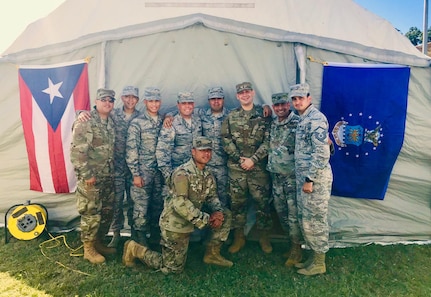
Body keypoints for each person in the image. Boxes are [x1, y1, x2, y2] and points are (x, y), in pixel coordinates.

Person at [122, 136, 233, 273]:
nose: (206, 154)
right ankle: (135, 249)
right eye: (202, 150)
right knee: (172, 269)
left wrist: (217, 212)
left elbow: (212, 196)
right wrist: (206, 219)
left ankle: (212, 254)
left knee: (226, 215)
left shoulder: (207, 174)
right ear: (193, 152)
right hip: (175, 223)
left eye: (209, 151)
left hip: (192, 218)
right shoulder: (182, 174)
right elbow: (180, 204)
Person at [77, 85, 141, 248]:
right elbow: (94, 116)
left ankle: (135, 235)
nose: (130, 100)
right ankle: (116, 234)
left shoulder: (142, 117)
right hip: (116, 168)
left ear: (138, 100)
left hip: (135, 169)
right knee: (116, 203)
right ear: (122, 99)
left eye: (133, 97)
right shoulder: (113, 114)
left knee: (135, 203)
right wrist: (80, 113)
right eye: (127, 97)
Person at [220, 81, 273, 254]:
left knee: (262, 203)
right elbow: (225, 139)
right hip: (237, 169)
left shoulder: (263, 114)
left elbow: (269, 140)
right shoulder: (231, 116)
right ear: (237, 96)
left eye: (247, 92)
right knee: (237, 204)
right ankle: (238, 238)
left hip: (258, 169)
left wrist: (254, 159)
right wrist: (239, 159)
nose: (244, 95)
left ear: (252, 93)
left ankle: (264, 237)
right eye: (241, 93)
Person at [290, 83, 333, 276]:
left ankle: (319, 263)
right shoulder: (303, 119)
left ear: (309, 99)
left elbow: (322, 153)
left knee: (315, 220)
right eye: (294, 98)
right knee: (307, 220)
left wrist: (310, 178)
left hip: (315, 181)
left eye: (301, 98)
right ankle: (313, 257)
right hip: (307, 180)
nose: (297, 101)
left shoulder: (315, 119)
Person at [70, 88, 116, 264]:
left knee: (106, 211)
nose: (107, 103)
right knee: (91, 212)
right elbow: (77, 152)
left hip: (107, 175)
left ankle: (98, 242)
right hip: (91, 178)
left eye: (110, 100)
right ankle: (88, 248)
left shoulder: (110, 121)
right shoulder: (86, 122)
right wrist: (87, 175)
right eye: (103, 99)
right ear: (96, 101)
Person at [267, 92, 302, 267]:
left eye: (283, 104)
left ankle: (297, 249)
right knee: (281, 213)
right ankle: (291, 244)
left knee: (293, 214)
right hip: (276, 177)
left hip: (291, 177)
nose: (280, 108)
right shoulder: (273, 123)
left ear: (288, 105)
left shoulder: (298, 123)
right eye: (276, 106)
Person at [126, 87, 164, 245]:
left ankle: (155, 237)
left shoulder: (163, 120)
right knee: (140, 207)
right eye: (151, 101)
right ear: (145, 102)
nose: (154, 104)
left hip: (158, 173)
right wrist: (135, 174)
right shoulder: (137, 123)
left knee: (157, 205)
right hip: (142, 173)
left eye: (156, 101)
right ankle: (140, 242)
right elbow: (131, 149)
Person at [156, 91, 202, 183]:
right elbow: (162, 152)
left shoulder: (198, 120)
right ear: (178, 105)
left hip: (196, 171)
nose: (187, 106)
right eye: (183, 103)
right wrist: (169, 176)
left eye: (190, 103)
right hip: (178, 172)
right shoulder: (171, 123)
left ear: (194, 104)